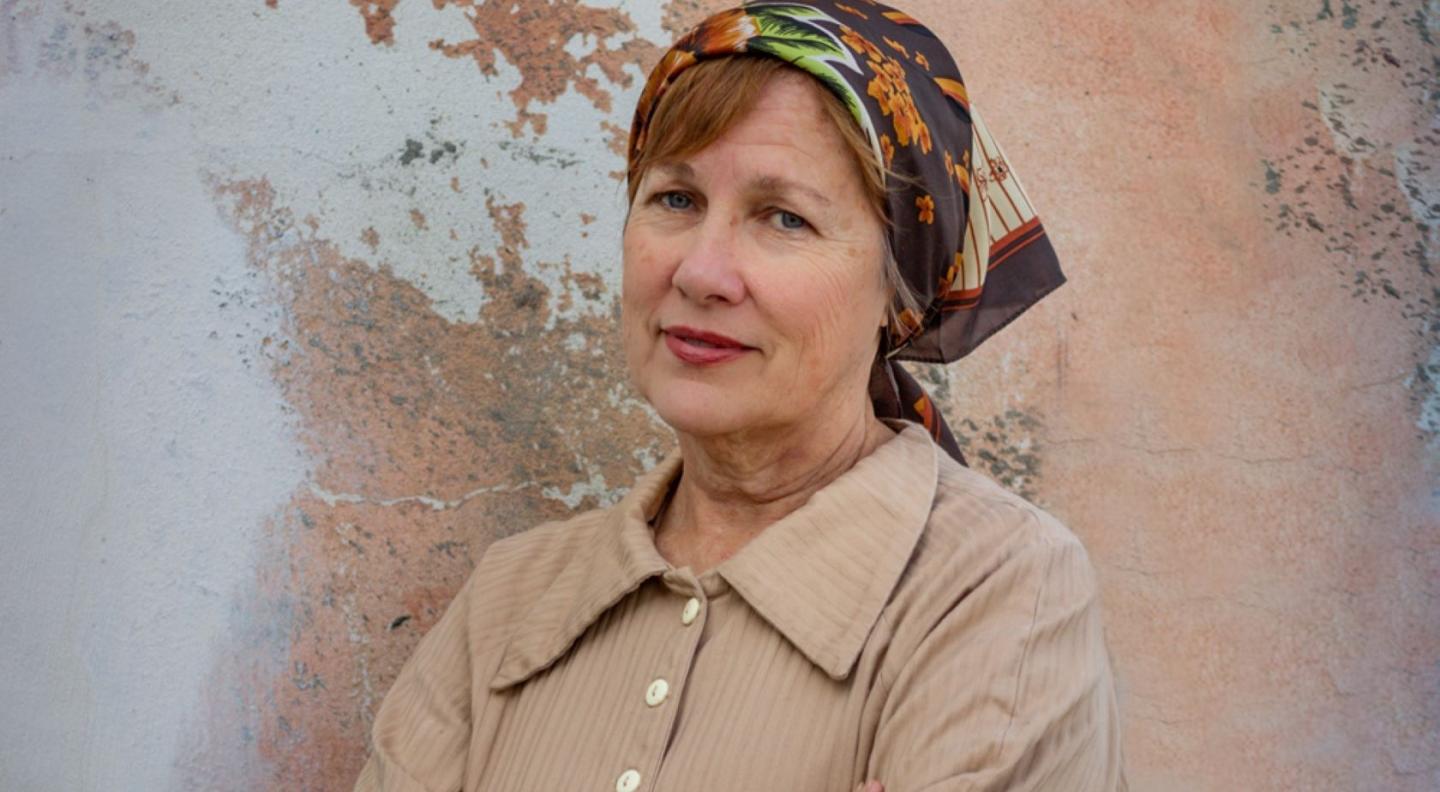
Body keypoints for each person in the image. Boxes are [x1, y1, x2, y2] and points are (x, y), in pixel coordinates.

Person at [352, 2, 1127, 790]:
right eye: (676, 200)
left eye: (784, 217)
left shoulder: (994, 590)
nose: (699, 273)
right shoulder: (507, 602)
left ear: (898, 293)